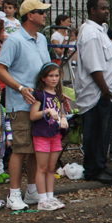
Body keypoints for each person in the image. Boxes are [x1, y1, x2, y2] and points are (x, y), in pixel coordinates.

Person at [0, 0, 52, 210]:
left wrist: (56, 95)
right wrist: (20, 88)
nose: (45, 15)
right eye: (41, 11)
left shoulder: (41, 38)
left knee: (36, 148)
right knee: (20, 149)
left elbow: (47, 69)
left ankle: (32, 191)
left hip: (40, 103)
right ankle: (14, 194)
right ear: (30, 15)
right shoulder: (14, 40)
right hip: (20, 104)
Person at [73, 0, 112, 184]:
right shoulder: (90, 34)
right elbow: (94, 66)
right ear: (92, 10)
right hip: (96, 94)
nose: (107, 11)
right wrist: (105, 90)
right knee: (94, 133)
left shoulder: (100, 31)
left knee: (103, 133)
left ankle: (101, 165)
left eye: (107, 8)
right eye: (102, 8)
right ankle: (92, 170)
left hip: (105, 94)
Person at [29, 63, 69, 210]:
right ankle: (42, 199)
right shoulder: (39, 95)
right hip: (42, 134)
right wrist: (46, 111)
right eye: (50, 76)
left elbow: (61, 112)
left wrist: (63, 119)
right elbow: (33, 115)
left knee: (51, 168)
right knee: (42, 167)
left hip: (55, 134)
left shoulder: (58, 95)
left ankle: (50, 197)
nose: (54, 79)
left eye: (56, 76)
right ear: (43, 78)